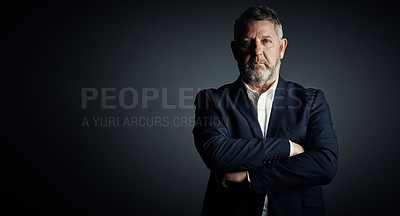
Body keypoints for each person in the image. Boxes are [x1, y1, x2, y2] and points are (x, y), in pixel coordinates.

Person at [193, 5, 338, 216]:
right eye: (246, 43)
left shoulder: (311, 100)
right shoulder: (211, 100)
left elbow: (325, 165)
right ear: (235, 50)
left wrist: (251, 178)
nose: (257, 51)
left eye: (266, 41)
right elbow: (217, 154)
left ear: (281, 48)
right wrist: (287, 148)